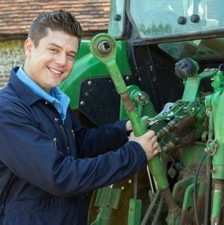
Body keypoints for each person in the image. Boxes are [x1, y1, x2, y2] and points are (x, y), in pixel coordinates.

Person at [0, 10, 160, 225]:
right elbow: (60, 176)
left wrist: (124, 129)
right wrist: (135, 154)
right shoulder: (7, 111)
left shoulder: (55, 99)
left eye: (70, 55)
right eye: (54, 50)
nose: (62, 62)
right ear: (29, 47)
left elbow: (79, 143)